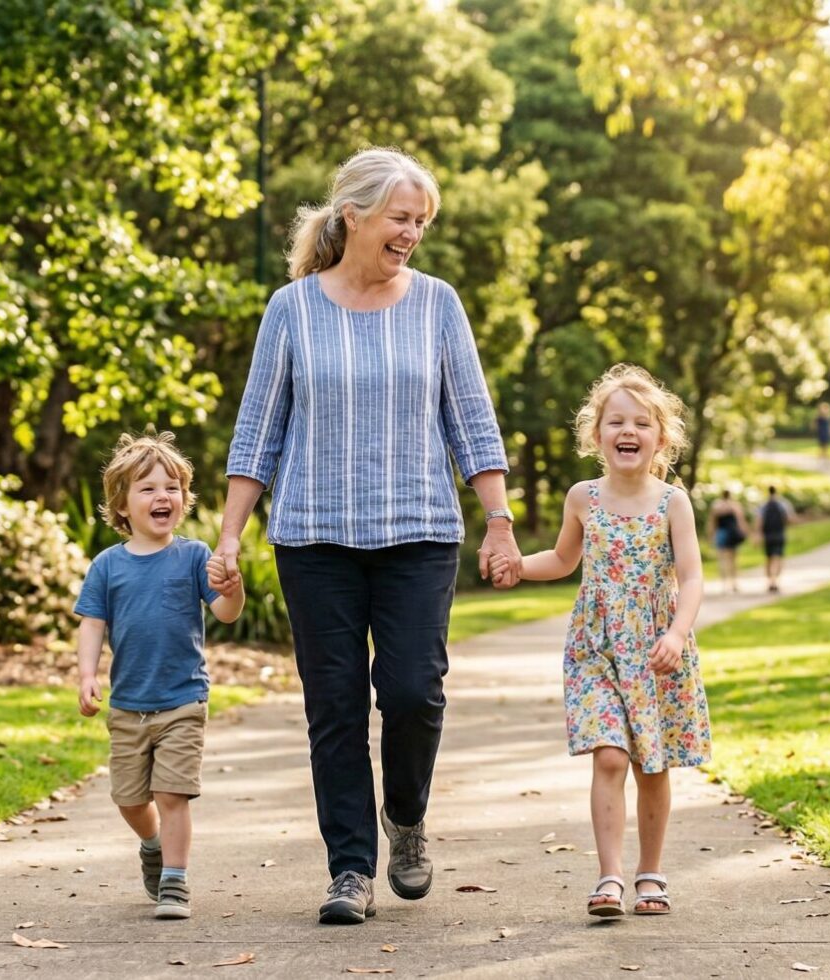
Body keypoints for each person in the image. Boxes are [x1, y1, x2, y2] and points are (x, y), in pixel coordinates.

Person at [213, 147, 520, 925]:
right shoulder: (292, 309)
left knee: (414, 691)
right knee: (336, 706)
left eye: (422, 221)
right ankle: (350, 869)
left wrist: (500, 521)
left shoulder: (438, 304)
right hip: (315, 538)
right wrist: (227, 538)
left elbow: (472, 420)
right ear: (353, 215)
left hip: (417, 530)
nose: (412, 232)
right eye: (401, 218)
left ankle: (406, 818)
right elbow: (259, 432)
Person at [491, 364, 711, 919]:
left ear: (661, 437)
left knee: (651, 765)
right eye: (615, 422)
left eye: (640, 422)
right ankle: (610, 876)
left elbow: (691, 577)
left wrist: (678, 633)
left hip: (656, 651)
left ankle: (651, 873)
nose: (627, 431)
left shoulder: (672, 503)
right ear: (597, 435)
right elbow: (564, 560)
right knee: (610, 757)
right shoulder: (582, 498)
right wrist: (519, 565)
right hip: (596, 648)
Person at [75, 430, 246, 920]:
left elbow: (227, 613)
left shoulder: (194, 557)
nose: (161, 496)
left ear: (183, 499)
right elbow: (92, 624)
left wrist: (232, 588)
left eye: (171, 487)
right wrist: (87, 674)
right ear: (122, 505)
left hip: (182, 700)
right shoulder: (107, 566)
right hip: (129, 703)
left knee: (172, 793)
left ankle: (174, 881)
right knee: (129, 799)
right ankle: (150, 843)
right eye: (147, 488)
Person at [708, 489, 748, 593]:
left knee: (722, 560)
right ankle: (734, 583)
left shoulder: (717, 506)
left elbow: (712, 522)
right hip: (732, 534)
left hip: (721, 533)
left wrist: (711, 535)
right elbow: (740, 521)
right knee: (733, 560)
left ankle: (724, 584)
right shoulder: (735, 506)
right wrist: (744, 532)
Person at [759, 485, 792, 593]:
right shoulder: (783, 504)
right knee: (778, 558)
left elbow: (759, 522)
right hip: (779, 534)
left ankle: (770, 581)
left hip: (768, 536)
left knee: (768, 559)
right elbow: (789, 519)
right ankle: (776, 581)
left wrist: (758, 534)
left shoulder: (763, 505)